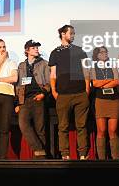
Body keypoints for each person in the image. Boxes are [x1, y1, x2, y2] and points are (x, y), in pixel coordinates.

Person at [49, 24, 90, 160]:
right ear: (63, 34)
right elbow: (53, 74)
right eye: (70, 33)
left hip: (80, 94)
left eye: (73, 33)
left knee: (81, 126)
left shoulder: (79, 50)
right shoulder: (55, 52)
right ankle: (65, 155)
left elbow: (86, 71)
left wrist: (87, 89)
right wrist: (54, 91)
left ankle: (83, 154)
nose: (72, 36)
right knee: (63, 127)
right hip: (63, 95)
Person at [15, 40, 50, 159]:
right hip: (25, 100)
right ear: (27, 50)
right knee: (23, 125)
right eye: (33, 47)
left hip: (38, 98)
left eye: (37, 47)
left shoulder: (44, 63)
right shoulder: (21, 65)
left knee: (40, 129)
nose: (36, 49)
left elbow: (49, 82)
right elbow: (19, 85)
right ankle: (39, 150)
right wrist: (18, 103)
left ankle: (41, 160)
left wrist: (43, 94)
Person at [90, 46, 119, 160]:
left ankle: (115, 158)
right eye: (102, 52)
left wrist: (104, 83)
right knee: (101, 130)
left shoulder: (112, 65)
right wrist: (109, 80)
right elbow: (95, 84)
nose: (105, 54)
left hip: (113, 101)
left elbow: (117, 81)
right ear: (97, 55)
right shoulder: (93, 68)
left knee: (113, 130)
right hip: (100, 100)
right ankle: (102, 160)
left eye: (106, 52)